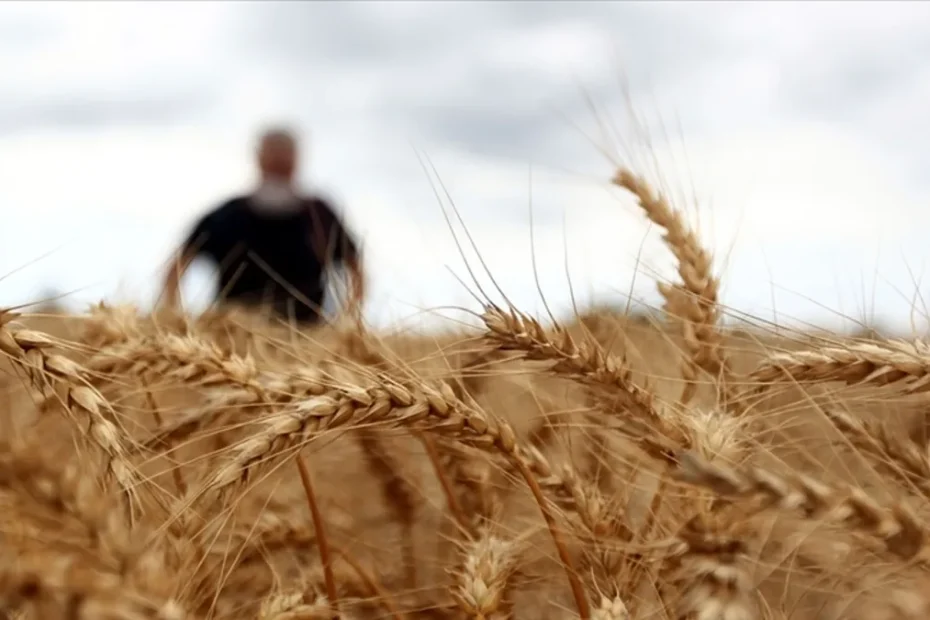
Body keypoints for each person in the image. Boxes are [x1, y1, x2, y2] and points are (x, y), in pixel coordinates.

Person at [161, 127, 365, 325]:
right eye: (273, 155)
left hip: (307, 338)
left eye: (284, 156)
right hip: (232, 340)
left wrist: (344, 322)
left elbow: (356, 268)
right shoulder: (226, 216)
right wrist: (176, 320)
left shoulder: (319, 215)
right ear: (259, 158)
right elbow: (177, 266)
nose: (279, 162)